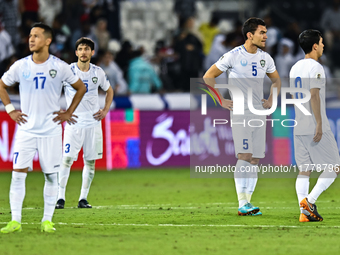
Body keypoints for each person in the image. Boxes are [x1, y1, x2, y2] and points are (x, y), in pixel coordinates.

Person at [0, 23, 86, 233]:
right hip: (26, 130)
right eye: (30, 35)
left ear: (48, 41)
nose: (31, 39)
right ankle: (15, 221)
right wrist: (11, 109)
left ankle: (47, 220)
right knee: (18, 173)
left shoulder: (60, 66)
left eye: (36, 36)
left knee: (50, 176)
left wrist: (68, 113)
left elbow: (81, 87)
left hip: (51, 131)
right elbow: (2, 85)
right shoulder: (21, 66)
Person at [203, 17, 281, 216]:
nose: (265, 36)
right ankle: (242, 203)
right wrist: (220, 100)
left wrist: (272, 98)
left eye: (265, 32)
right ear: (250, 35)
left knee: (254, 159)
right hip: (241, 111)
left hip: (259, 112)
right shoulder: (233, 56)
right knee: (244, 156)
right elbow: (208, 77)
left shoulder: (266, 58)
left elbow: (276, 81)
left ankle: (248, 203)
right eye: (261, 32)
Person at [55, 37, 113, 209]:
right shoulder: (68, 71)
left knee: (90, 162)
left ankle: (83, 198)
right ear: (76, 52)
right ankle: (60, 198)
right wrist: (60, 111)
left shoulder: (98, 72)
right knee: (66, 160)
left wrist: (105, 110)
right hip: (73, 124)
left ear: (92, 53)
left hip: (93, 124)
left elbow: (109, 91)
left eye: (87, 49)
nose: (84, 52)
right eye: (80, 49)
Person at [290, 30, 339, 222]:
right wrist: (319, 122)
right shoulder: (316, 67)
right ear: (315, 46)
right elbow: (314, 95)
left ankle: (304, 212)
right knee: (334, 167)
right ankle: (309, 202)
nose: (324, 45)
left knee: (305, 170)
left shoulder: (294, 68)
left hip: (299, 124)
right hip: (315, 125)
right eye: (321, 42)